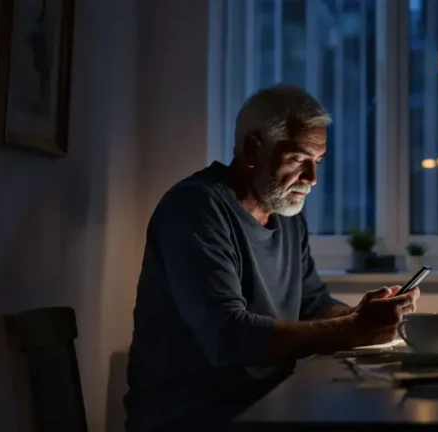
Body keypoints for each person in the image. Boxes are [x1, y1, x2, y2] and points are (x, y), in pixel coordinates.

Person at [123, 84, 420, 432]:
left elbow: (313, 304)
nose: (312, 179)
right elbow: (228, 337)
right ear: (253, 149)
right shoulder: (195, 208)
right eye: (298, 160)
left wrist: (362, 313)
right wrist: (352, 329)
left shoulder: (287, 217)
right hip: (196, 418)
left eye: (318, 162)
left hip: (271, 404)